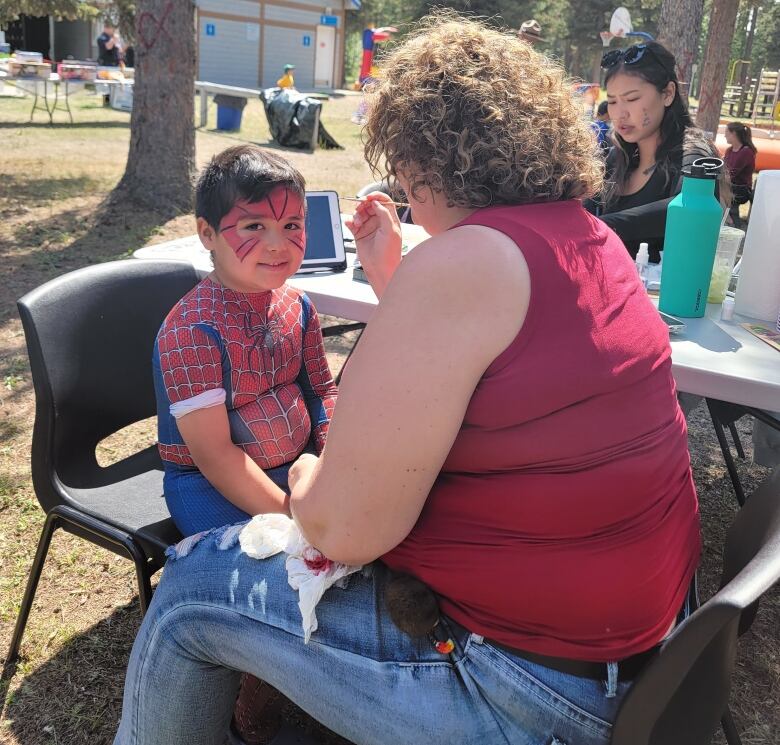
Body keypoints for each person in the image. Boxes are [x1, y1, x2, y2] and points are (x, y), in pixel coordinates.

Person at [114, 13, 699, 745]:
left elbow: (343, 529)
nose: (407, 196)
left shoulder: (465, 263)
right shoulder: (591, 239)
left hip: (526, 692)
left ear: (428, 161)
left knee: (190, 589)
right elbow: (491, 377)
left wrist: (301, 477)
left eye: (405, 176)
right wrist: (398, 276)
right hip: (644, 659)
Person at [153, 144, 337, 536]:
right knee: (299, 565)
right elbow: (215, 457)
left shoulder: (298, 306)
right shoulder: (191, 332)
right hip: (208, 487)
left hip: (300, 466)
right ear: (208, 233)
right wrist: (296, 518)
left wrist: (335, 462)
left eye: (291, 226)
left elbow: (321, 391)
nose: (277, 244)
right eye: (254, 227)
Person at [586, 42, 725, 264]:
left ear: (668, 94)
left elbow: (692, 208)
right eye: (612, 101)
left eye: (632, 99)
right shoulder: (617, 157)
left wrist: (596, 226)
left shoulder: (695, 154)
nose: (620, 113)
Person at [723, 121, 756, 229]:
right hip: (731, 185)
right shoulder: (729, 150)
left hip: (741, 190)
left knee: (719, 190)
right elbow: (724, 168)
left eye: (727, 133)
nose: (724, 135)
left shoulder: (746, 152)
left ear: (734, 134)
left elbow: (732, 173)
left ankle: (733, 224)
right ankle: (728, 220)